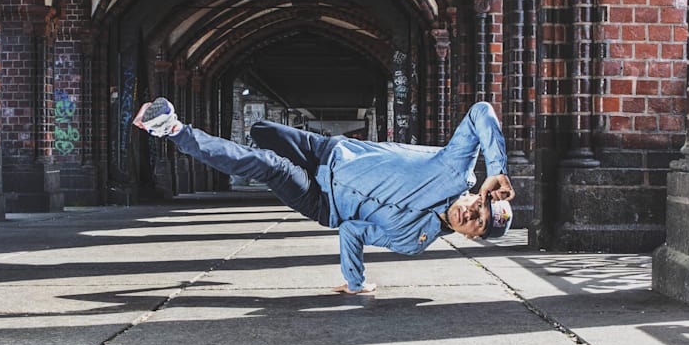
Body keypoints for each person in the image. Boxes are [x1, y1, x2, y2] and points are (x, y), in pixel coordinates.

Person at [133, 98, 515, 294]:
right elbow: (480, 111)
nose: (472, 214)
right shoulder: (455, 167)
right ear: (477, 193)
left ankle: (172, 129)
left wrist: (355, 281)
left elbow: (353, 230)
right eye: (479, 206)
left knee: (268, 165)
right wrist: (497, 167)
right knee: (263, 131)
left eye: (478, 225)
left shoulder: (413, 241)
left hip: (323, 200)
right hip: (331, 152)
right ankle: (223, 141)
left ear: (470, 238)